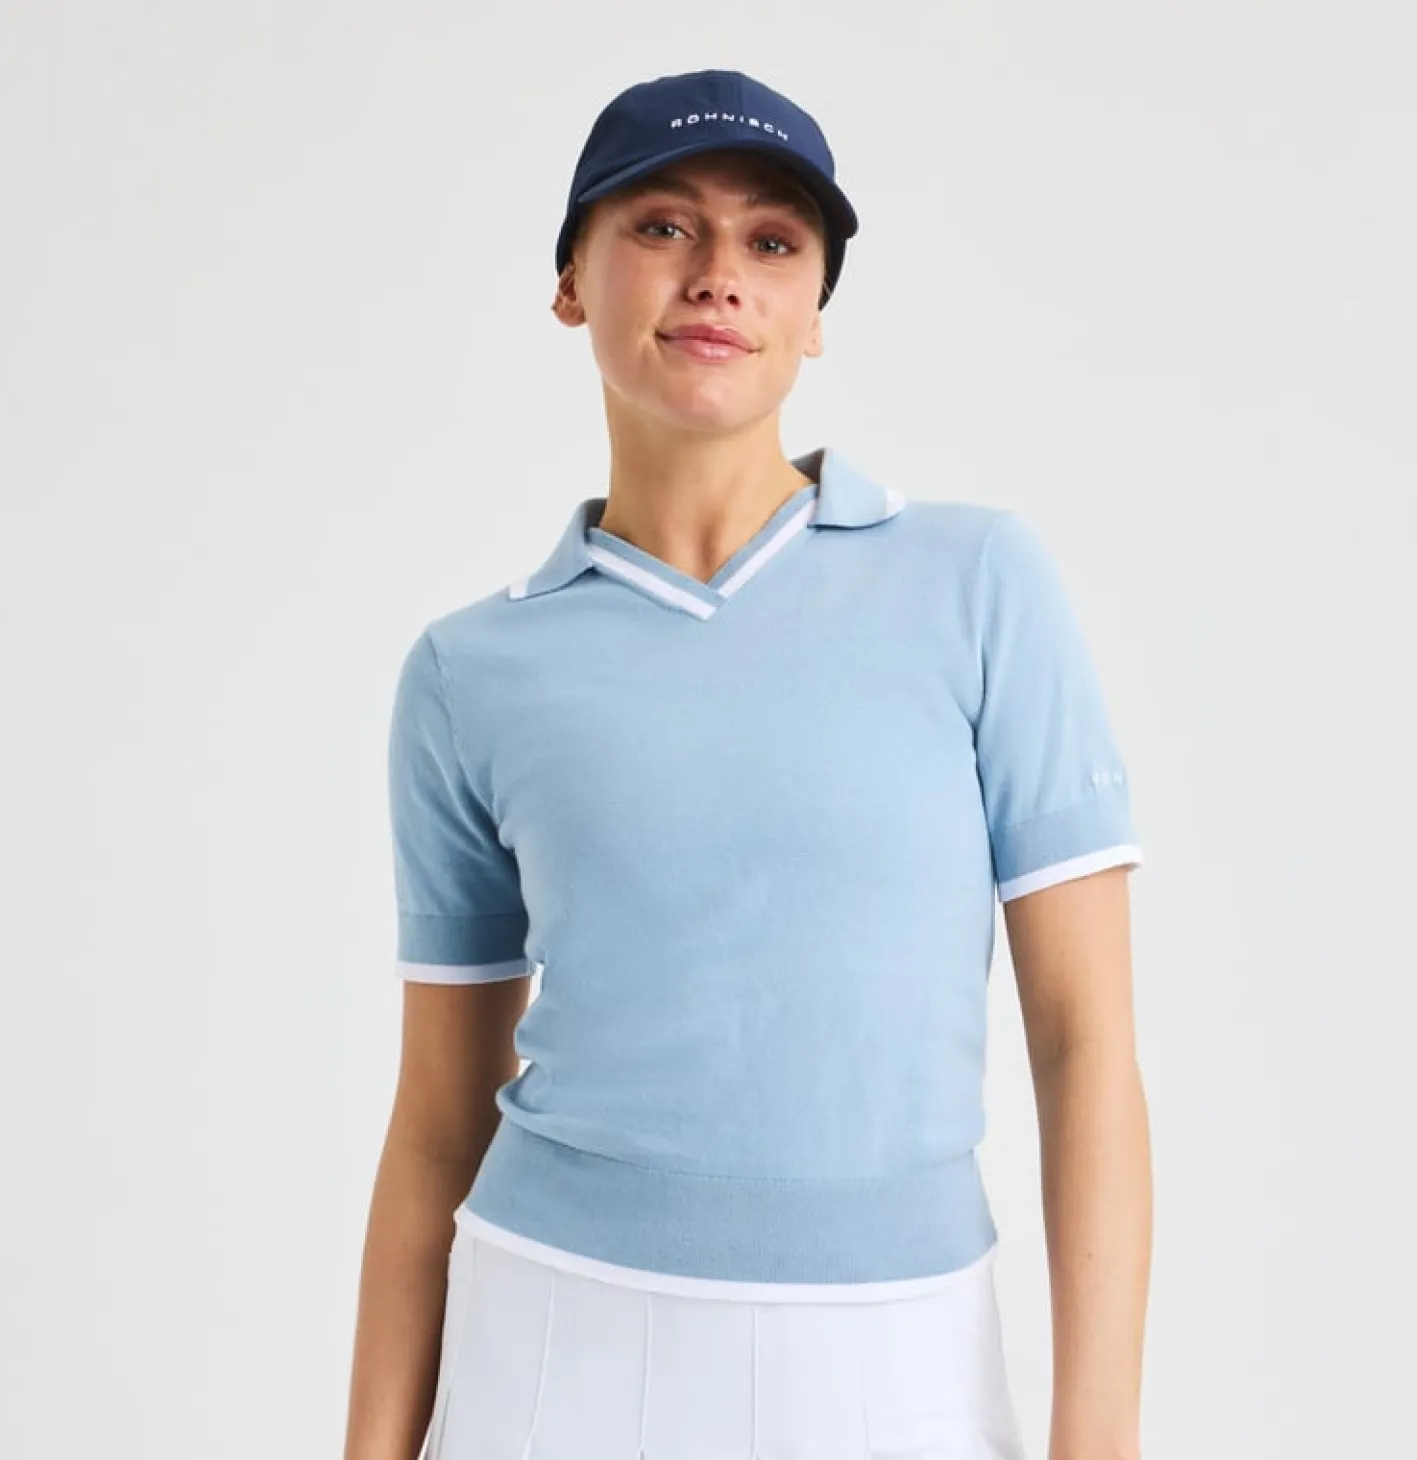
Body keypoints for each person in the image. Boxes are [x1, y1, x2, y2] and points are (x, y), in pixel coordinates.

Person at [343, 67, 1152, 1460]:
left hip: (901, 1352)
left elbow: (1086, 1046)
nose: (719, 272)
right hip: (556, 1341)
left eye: (772, 241)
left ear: (815, 312)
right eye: (663, 226)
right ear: (570, 282)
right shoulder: (471, 672)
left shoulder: (977, 585)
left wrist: (1103, 1438)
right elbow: (434, 1123)